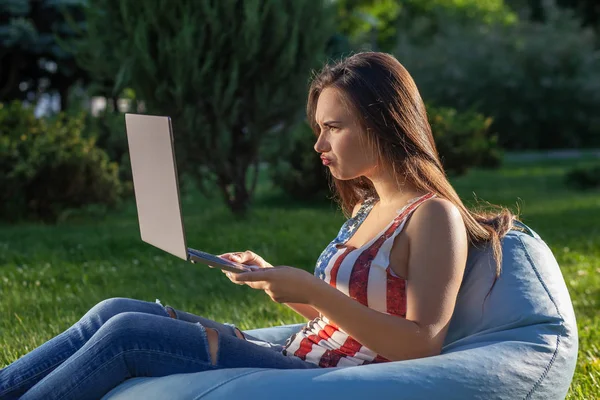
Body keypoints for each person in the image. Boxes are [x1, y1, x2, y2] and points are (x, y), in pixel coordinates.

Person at [0, 52, 516, 400]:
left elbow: (421, 344)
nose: (319, 146)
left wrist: (312, 287)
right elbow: (350, 314)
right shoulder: (367, 207)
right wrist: (279, 282)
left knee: (130, 334)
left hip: (325, 376)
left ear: (384, 122)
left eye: (333, 128)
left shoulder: (433, 217)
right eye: (319, 129)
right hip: (295, 354)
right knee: (113, 309)